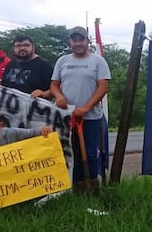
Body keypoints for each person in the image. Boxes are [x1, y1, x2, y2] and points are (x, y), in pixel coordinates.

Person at [49, 26, 111, 187]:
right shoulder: (62, 61)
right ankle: (72, 185)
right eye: (74, 40)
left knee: (91, 153)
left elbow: (103, 87)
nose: (78, 43)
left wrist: (86, 107)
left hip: (90, 117)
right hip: (66, 117)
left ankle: (91, 185)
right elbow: (54, 85)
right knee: (69, 152)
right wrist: (59, 96)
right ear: (70, 42)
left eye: (81, 39)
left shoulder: (98, 61)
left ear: (87, 41)